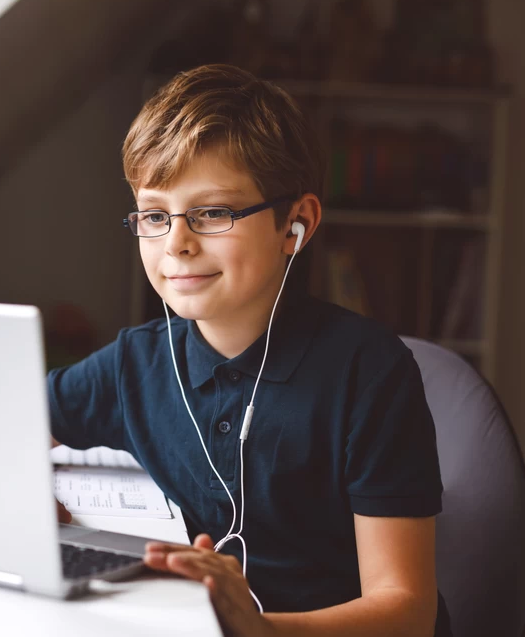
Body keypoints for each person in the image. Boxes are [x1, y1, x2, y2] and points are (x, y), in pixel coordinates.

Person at [48, 64, 450, 637]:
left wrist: (259, 630)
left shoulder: (368, 374)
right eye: (155, 215)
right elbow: (7, 425)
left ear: (296, 225)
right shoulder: (135, 363)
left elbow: (408, 611)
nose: (177, 243)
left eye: (213, 212)